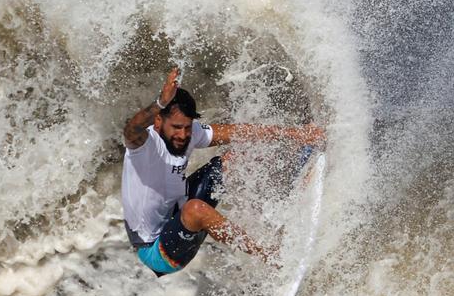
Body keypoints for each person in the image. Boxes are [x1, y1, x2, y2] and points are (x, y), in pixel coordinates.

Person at [121, 68, 324, 276]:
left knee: (236, 157)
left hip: (178, 213)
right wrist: (160, 103)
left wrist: (296, 134)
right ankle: (273, 257)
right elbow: (130, 130)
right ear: (158, 122)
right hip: (157, 251)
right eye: (176, 127)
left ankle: (298, 172)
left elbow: (239, 132)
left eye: (187, 127)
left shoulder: (190, 132)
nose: (183, 135)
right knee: (195, 210)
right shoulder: (142, 145)